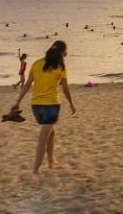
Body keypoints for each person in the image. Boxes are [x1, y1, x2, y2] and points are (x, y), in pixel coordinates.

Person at [10, 41, 76, 174]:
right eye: (65, 53)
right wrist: (71, 104)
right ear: (61, 53)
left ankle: (51, 161)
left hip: (36, 107)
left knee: (51, 132)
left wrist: (18, 101)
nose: (65, 55)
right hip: (52, 106)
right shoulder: (60, 66)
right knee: (43, 137)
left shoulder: (37, 63)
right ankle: (36, 169)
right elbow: (65, 88)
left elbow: (27, 85)